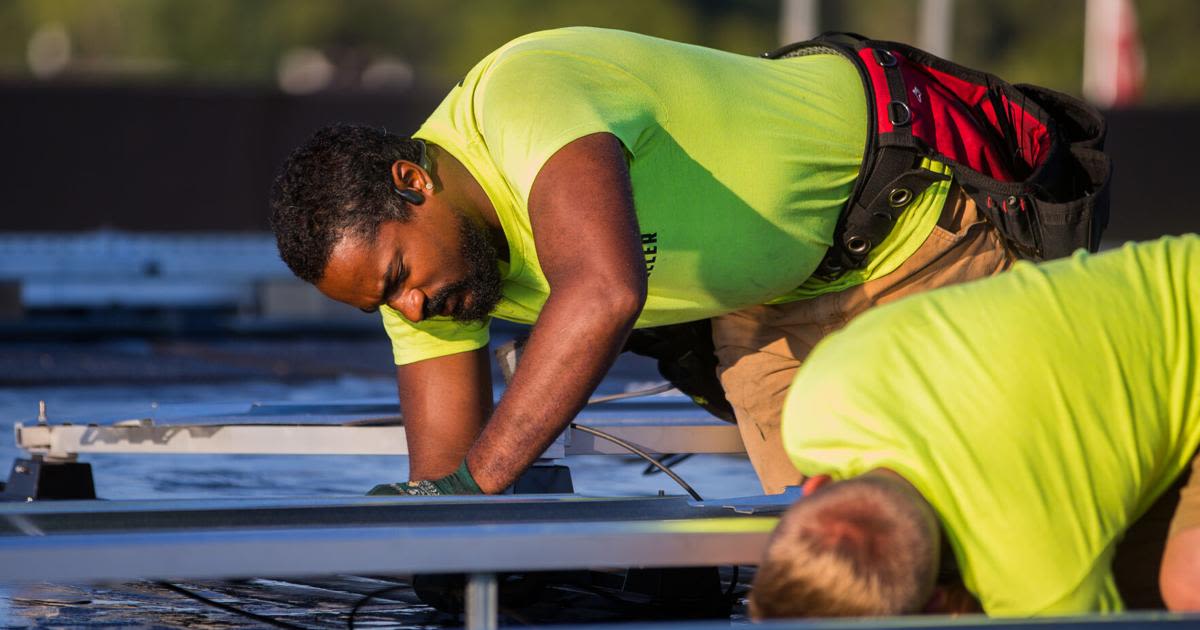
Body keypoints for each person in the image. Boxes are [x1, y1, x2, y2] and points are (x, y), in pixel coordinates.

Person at [268, 27, 1100, 496]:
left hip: (910, 227)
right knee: (845, 549)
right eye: (383, 307)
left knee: (993, 504)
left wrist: (478, 484)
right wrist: (437, 528)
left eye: (396, 281)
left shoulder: (521, 98)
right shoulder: (436, 283)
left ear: (413, 181)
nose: (407, 310)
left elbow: (603, 291)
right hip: (771, 310)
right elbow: (443, 485)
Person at [750, 235, 1200, 617]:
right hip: (1177, 270)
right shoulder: (814, 408)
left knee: (1187, 591)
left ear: (939, 606)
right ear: (815, 486)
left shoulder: (1038, 578)